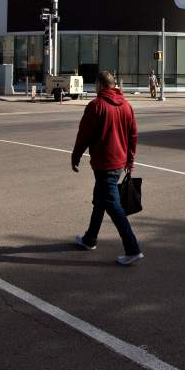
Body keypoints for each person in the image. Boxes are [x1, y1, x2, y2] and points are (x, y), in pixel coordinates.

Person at [71, 70, 142, 265]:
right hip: (118, 163)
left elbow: (84, 135)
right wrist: (130, 160)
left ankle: (132, 248)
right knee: (100, 200)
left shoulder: (96, 106)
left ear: (100, 85)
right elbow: (133, 136)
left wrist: (75, 156)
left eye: (95, 85)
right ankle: (89, 239)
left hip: (104, 164)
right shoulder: (126, 106)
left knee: (113, 206)